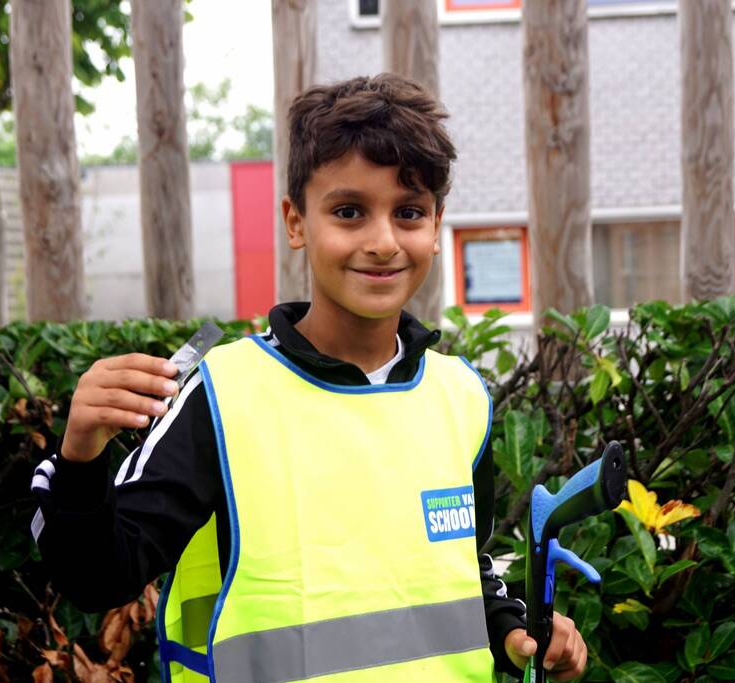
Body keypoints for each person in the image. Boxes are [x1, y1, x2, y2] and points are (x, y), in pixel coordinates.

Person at [31, 73, 587, 682]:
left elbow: (458, 571)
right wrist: (81, 456)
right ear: (296, 223)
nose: (382, 241)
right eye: (349, 211)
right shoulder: (223, 395)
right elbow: (98, 577)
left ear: (435, 226)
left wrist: (512, 628)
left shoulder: (462, 397)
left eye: (408, 213)